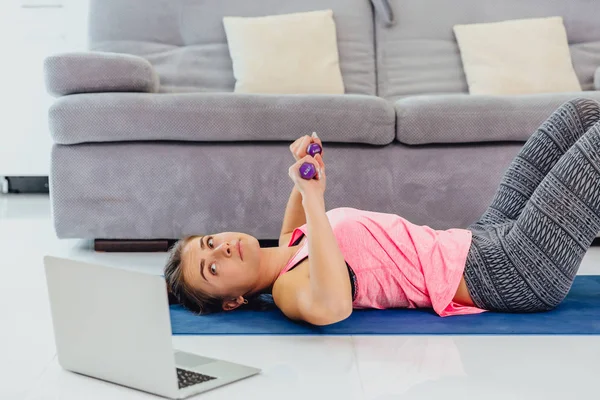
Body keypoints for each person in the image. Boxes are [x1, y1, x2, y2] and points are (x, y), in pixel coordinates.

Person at [164, 98, 600, 326]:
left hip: (485, 236)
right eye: (212, 270)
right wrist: (315, 196)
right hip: (508, 272)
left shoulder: (289, 245)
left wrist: (306, 165)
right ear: (233, 302)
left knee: (581, 115)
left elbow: (304, 216)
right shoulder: (288, 289)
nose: (221, 250)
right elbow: (331, 307)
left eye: (210, 242)